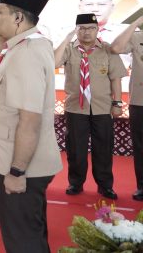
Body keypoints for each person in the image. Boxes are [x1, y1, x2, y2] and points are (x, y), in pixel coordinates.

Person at [0, 0, 62, 253]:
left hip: (20, 165)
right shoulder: (25, 47)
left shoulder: (27, 52)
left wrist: (17, 172)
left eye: (0, 12)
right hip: (18, 158)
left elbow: (29, 120)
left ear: (18, 18)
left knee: (22, 240)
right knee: (30, 232)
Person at [55, 13, 127, 200]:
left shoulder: (107, 49)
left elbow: (115, 78)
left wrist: (117, 103)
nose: (87, 32)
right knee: (75, 149)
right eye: (82, 28)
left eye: (91, 28)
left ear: (97, 30)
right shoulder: (69, 49)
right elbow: (53, 62)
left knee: (103, 148)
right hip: (75, 108)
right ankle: (75, 183)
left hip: (102, 108)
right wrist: (67, 38)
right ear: (76, 30)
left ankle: (105, 186)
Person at [110, 15, 143, 201]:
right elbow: (115, 48)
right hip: (140, 101)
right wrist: (136, 23)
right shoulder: (138, 37)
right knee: (140, 147)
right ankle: (142, 186)